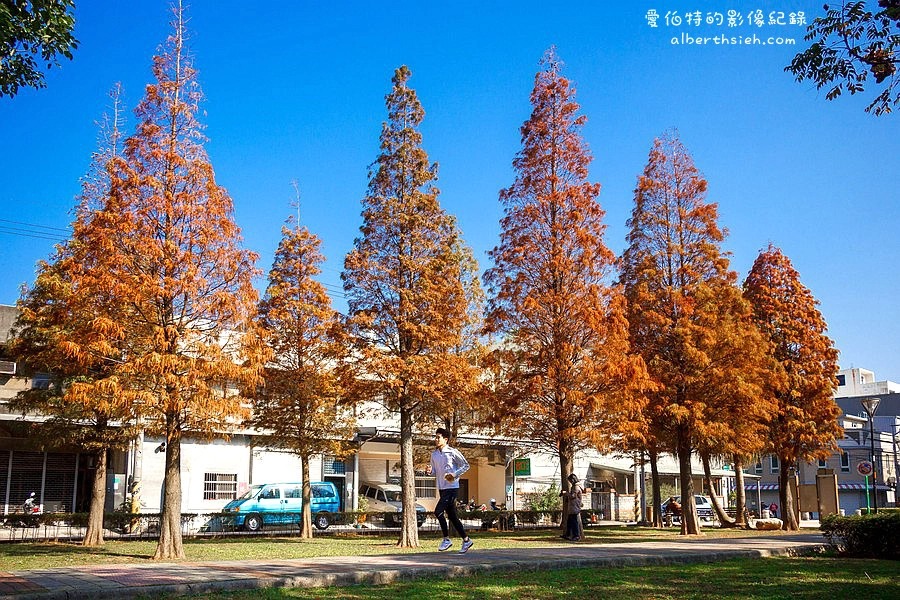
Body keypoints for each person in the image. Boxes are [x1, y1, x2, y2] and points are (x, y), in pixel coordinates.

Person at [429, 427, 474, 553]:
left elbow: (466, 465)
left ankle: (446, 539)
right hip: (442, 488)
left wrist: (454, 475)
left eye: (438, 437)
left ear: (445, 439)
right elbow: (433, 471)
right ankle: (466, 540)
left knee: (438, 511)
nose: (436, 439)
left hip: (452, 487)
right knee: (453, 517)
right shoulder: (434, 455)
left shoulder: (453, 452)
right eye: (435, 437)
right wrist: (429, 471)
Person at [561, 473, 586, 541]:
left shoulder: (576, 487)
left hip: (575, 507)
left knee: (574, 522)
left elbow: (573, 496)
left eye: (570, 481)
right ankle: (568, 534)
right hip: (572, 506)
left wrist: (566, 493)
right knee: (569, 521)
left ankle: (576, 536)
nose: (570, 482)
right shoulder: (574, 486)